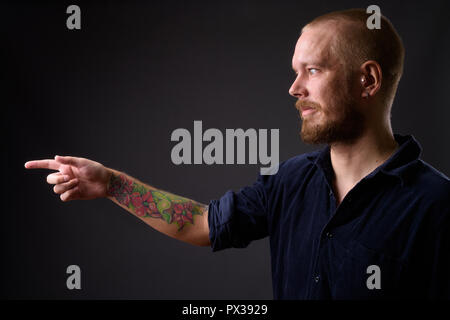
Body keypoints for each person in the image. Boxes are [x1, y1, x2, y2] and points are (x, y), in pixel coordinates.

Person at [25, 8, 449, 299]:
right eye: (294, 72)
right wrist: (111, 184)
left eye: (314, 70)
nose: (294, 88)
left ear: (369, 80)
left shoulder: (435, 206)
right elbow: (198, 222)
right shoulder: (291, 180)